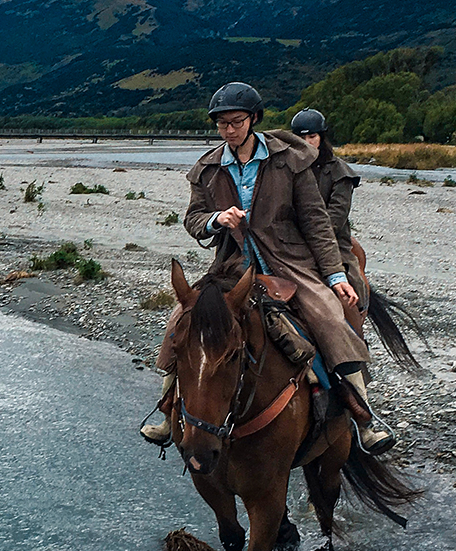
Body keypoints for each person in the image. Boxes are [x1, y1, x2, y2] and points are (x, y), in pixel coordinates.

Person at [141, 83, 395, 454]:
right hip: (232, 264)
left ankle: (364, 417)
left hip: (288, 262)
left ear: (254, 119)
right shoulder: (208, 168)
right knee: (181, 318)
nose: (230, 130)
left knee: (327, 316)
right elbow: (193, 219)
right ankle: (168, 412)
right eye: (222, 124)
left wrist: (336, 276)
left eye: (237, 121)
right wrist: (215, 219)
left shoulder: (289, 160)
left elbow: (316, 222)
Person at [290, 107, 366, 311]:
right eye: (301, 137)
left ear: (321, 138)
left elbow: (335, 219)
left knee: (350, 281)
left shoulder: (340, 173)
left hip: (330, 241)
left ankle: (354, 331)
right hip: (289, 240)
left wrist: (308, 238)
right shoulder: (286, 169)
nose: (306, 142)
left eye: (312, 136)